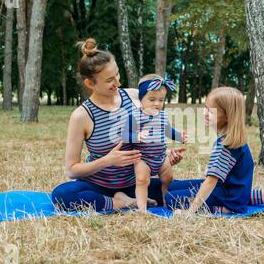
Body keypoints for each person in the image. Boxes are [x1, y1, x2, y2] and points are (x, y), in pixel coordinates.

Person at [51, 38, 185, 212]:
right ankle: (116, 203)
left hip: (136, 183)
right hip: (98, 186)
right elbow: (72, 170)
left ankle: (134, 198)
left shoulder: (135, 97)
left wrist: (165, 155)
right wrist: (108, 160)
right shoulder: (81, 116)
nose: (118, 83)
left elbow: (148, 138)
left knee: (185, 188)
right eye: (109, 80)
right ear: (90, 83)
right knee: (62, 195)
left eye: (117, 74)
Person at [165, 86, 264, 215]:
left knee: (170, 198)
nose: (204, 113)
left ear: (227, 116)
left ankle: (224, 209)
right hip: (233, 191)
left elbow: (210, 182)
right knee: (173, 186)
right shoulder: (230, 139)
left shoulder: (226, 146)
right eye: (205, 108)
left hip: (229, 198)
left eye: (210, 111)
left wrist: (191, 212)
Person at [122, 74, 187, 212]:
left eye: (161, 100)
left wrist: (180, 136)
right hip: (143, 159)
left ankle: (165, 201)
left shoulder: (162, 116)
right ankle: (142, 208)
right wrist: (136, 136)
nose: (157, 103)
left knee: (168, 177)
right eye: (151, 99)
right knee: (142, 180)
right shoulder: (134, 116)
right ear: (141, 100)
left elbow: (169, 131)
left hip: (161, 158)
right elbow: (124, 136)